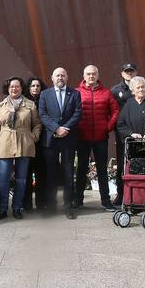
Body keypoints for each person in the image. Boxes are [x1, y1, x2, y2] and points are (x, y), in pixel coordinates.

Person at [0, 76, 42, 220]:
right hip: (5, 143)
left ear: (21, 88)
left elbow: (37, 124)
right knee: (3, 178)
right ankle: (2, 208)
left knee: (21, 179)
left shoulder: (30, 105)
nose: (14, 89)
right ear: (8, 88)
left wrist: (33, 136)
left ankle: (17, 207)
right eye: (11, 86)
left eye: (17, 86)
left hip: (24, 142)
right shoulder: (1, 106)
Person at [39, 67, 83, 219]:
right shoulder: (45, 94)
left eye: (63, 75)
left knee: (68, 173)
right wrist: (56, 129)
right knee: (50, 174)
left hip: (68, 139)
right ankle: (51, 206)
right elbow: (42, 114)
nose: (60, 78)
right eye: (57, 75)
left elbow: (78, 113)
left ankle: (68, 206)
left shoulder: (75, 93)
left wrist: (66, 128)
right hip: (51, 139)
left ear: (67, 77)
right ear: (52, 78)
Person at [76, 65, 120, 210]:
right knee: (81, 169)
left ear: (98, 75)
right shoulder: (77, 93)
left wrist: (108, 127)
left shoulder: (106, 93)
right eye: (88, 74)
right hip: (82, 137)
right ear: (84, 75)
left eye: (94, 74)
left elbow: (115, 110)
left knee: (102, 170)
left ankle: (106, 201)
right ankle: (78, 200)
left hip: (101, 137)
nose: (91, 76)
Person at [110, 62, 145, 205]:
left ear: (136, 72)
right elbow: (113, 113)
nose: (129, 73)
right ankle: (122, 194)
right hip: (125, 135)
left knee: (143, 162)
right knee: (123, 165)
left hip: (143, 134)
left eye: (131, 71)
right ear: (122, 73)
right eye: (126, 71)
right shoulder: (115, 91)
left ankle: (143, 194)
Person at [24, 76, 48, 210]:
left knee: (41, 174)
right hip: (27, 142)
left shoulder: (45, 100)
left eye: (38, 86)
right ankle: (26, 203)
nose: (35, 88)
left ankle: (41, 202)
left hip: (42, 142)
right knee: (26, 174)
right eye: (33, 86)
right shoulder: (24, 102)